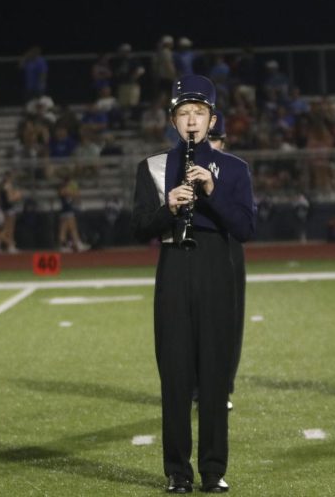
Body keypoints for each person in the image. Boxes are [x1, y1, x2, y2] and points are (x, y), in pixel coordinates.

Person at [131, 75, 255, 494]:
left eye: (198, 113)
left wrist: (211, 190)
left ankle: (214, 470)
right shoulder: (151, 167)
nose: (191, 121)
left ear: (211, 119)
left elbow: (245, 228)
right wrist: (167, 207)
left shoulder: (235, 169)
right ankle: (177, 472)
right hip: (173, 267)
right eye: (183, 113)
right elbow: (138, 227)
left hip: (216, 267)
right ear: (172, 119)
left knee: (216, 375)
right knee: (176, 374)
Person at [207, 112, 246, 412]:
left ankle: (224, 387)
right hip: (196, 250)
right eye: (208, 139)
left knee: (230, 322)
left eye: (216, 139)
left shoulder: (235, 171)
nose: (211, 144)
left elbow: (244, 220)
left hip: (230, 249)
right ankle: (196, 387)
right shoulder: (183, 167)